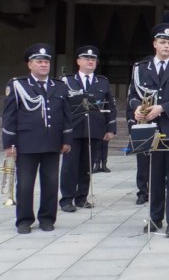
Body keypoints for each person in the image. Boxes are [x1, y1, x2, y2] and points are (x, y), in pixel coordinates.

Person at [127, 23, 169, 236]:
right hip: (149, 128)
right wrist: (137, 108)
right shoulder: (140, 68)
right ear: (154, 43)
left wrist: (161, 108)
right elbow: (132, 95)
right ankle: (155, 218)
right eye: (162, 42)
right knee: (153, 175)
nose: (166, 46)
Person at [2, 43, 73, 234]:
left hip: (52, 142)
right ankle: (24, 220)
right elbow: (9, 116)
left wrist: (67, 140)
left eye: (46, 62)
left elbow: (66, 115)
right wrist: (9, 143)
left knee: (50, 183)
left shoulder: (59, 86)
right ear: (30, 65)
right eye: (39, 61)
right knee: (25, 184)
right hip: (26, 143)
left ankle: (47, 218)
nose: (43, 65)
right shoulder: (18, 85)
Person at [59, 45, 117, 213]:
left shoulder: (102, 82)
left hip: (94, 128)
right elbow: (60, 107)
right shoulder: (67, 81)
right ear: (78, 61)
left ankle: (82, 197)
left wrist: (111, 128)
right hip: (73, 130)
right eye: (86, 58)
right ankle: (67, 199)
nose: (90, 61)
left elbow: (110, 107)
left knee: (87, 165)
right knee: (69, 166)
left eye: (93, 59)